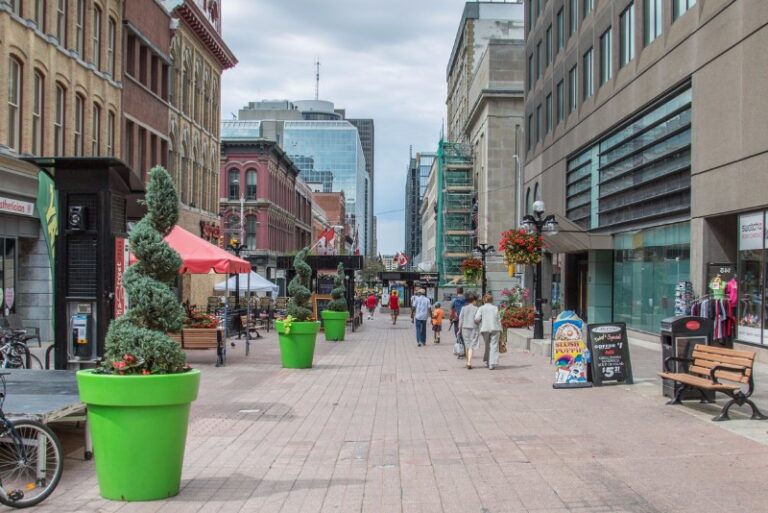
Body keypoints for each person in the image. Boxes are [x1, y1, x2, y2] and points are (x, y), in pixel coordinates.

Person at [474, 293, 502, 370]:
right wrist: (501, 329)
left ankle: (487, 361)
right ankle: (492, 363)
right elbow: (498, 319)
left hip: (485, 328)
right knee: (494, 345)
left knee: (487, 345)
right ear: (492, 300)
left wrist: (478, 322)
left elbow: (477, 319)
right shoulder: (495, 308)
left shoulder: (481, 308)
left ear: (484, 300)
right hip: (495, 328)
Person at [458, 293, 480, 369]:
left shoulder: (463, 308)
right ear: (474, 300)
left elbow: (461, 319)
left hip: (464, 328)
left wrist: (459, 329)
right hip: (473, 327)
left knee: (467, 344)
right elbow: (478, 319)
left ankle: (468, 361)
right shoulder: (477, 309)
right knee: (471, 345)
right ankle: (469, 362)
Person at [450, 287, 467, 358]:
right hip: (465, 319)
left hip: (457, 319)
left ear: (457, 291)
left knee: (458, 334)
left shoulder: (454, 299)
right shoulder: (466, 299)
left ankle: (461, 351)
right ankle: (465, 350)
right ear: (462, 291)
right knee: (464, 334)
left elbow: (452, 309)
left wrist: (451, 318)